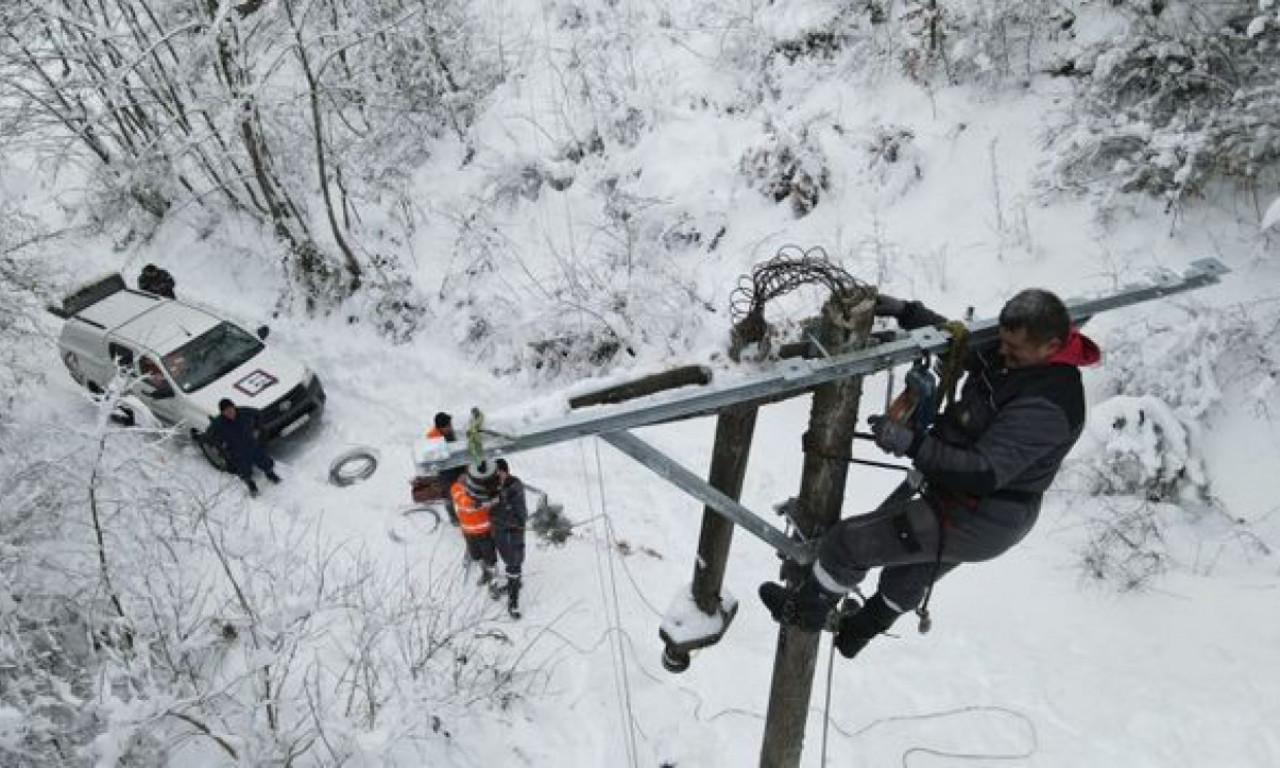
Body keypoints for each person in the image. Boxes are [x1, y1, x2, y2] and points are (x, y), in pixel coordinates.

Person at [759, 288, 1100, 659]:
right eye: (1003, 343)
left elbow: (982, 472)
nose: (1002, 352)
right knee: (907, 575)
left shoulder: (1048, 404)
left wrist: (912, 445)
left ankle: (804, 611)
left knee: (848, 544)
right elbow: (961, 346)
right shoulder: (1018, 359)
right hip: (971, 502)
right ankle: (860, 630)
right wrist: (907, 312)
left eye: (1013, 349)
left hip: (979, 513)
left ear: (1051, 346)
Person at [204, 398, 281, 497]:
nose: (230, 413)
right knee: (244, 470)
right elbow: (209, 436)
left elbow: (258, 413)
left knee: (264, 461)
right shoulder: (218, 422)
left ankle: (270, 474)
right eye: (226, 412)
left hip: (252, 444)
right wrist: (222, 443)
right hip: (237, 451)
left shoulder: (244, 411)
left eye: (231, 410)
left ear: (234, 407)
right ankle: (251, 485)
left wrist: (257, 428)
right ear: (222, 413)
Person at [451, 460, 500, 588]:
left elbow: (493, 500)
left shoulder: (484, 486)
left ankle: (494, 579)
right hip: (469, 532)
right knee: (476, 555)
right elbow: (461, 500)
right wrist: (475, 503)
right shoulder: (457, 487)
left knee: (490, 556)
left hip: (485, 531)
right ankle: (485, 573)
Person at [492, 458, 528, 619]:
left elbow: (521, 516)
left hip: (513, 531)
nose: (497, 475)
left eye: (500, 472)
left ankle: (513, 603)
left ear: (506, 471)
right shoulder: (493, 486)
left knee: (514, 563)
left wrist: (499, 506)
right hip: (500, 531)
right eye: (495, 473)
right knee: (507, 560)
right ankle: (514, 583)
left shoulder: (515, 486)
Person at [427, 412, 465, 526]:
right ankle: (453, 518)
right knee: (448, 494)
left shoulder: (449, 432)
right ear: (441, 427)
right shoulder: (433, 439)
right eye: (448, 426)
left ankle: (465, 511)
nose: (451, 427)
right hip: (445, 471)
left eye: (450, 425)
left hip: (458, 465)